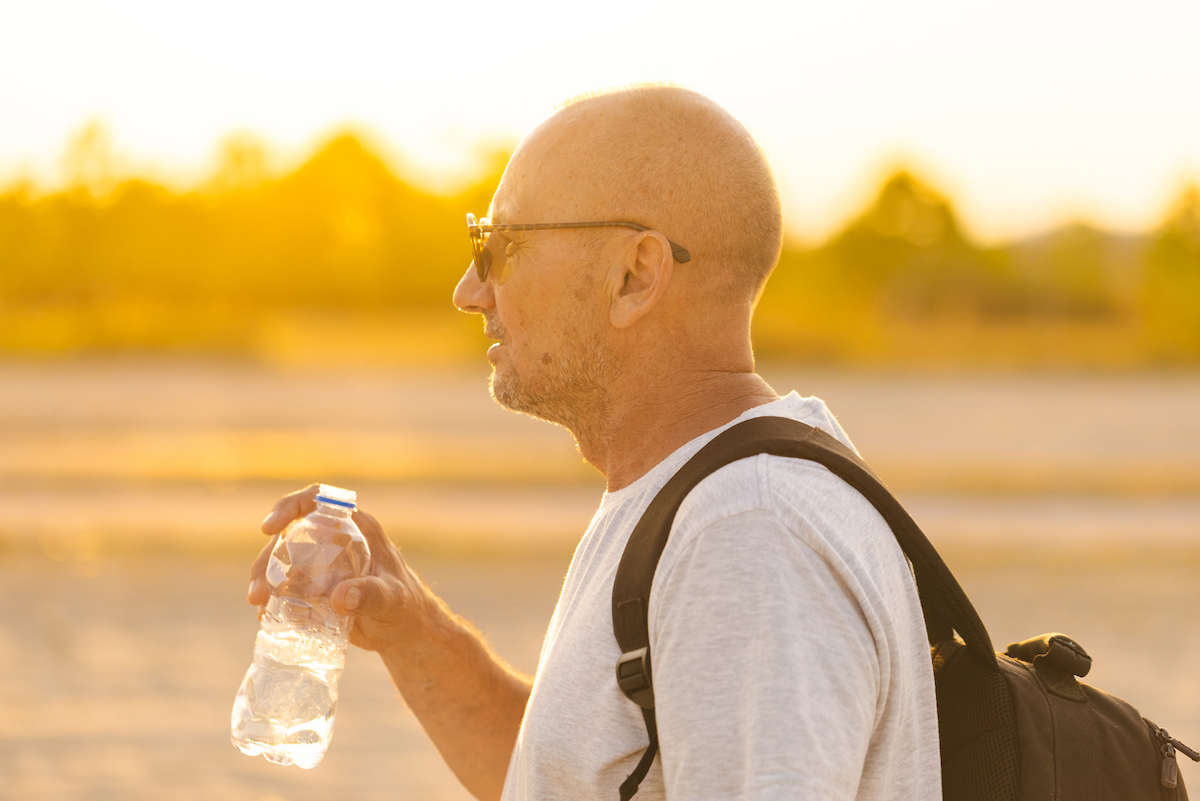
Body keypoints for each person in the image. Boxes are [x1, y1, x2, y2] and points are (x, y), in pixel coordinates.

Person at [247, 85, 940, 801]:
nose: (468, 290)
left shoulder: (745, 531)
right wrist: (410, 624)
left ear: (634, 275)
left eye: (499, 247)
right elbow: (570, 777)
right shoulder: (696, 495)